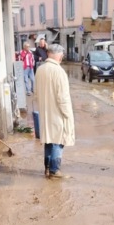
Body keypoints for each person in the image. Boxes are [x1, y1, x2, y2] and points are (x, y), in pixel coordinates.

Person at [35, 44, 75, 179]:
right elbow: (62, 97)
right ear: (58, 55)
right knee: (58, 140)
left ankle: (46, 168)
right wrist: (68, 114)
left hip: (45, 112)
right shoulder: (59, 72)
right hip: (57, 113)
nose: (63, 57)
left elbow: (36, 93)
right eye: (62, 54)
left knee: (48, 140)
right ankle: (54, 170)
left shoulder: (40, 69)